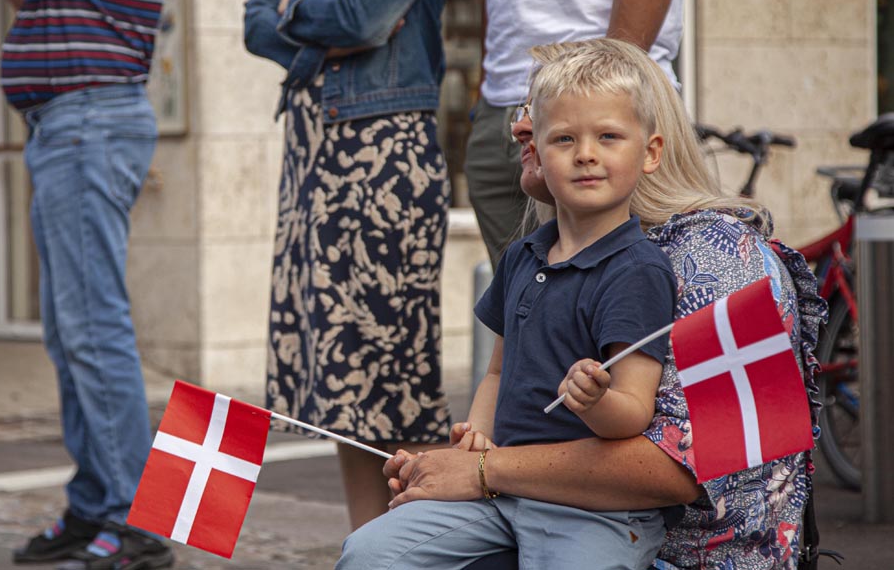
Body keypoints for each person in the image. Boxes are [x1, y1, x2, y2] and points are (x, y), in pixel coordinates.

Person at [340, 39, 824, 569]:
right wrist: (469, 459)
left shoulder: (724, 256)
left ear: (649, 147)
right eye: (544, 122)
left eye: (605, 132)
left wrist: (483, 471)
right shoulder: (541, 250)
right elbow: (501, 384)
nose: (518, 130)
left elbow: (684, 469)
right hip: (532, 515)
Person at [0, 0, 173, 567]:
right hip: (70, 126)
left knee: (92, 327)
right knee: (72, 330)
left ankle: (135, 523)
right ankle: (97, 505)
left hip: (87, 123)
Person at [244, 0, 467, 531]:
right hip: (312, 158)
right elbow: (254, 23)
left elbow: (371, 17)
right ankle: (365, 545)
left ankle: (423, 545)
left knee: (399, 377)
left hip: (385, 154)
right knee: (344, 383)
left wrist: (296, 6)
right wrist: (318, 13)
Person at [464, 0, 696, 267]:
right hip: (504, 101)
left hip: (601, 106)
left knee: (627, 309)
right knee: (522, 308)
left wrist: (604, 92)